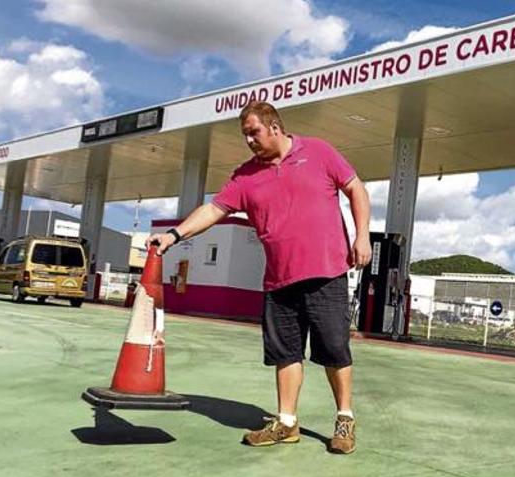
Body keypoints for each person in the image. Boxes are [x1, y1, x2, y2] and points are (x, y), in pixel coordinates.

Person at [147, 101, 372, 454]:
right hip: (279, 280)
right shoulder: (245, 175)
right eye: (245, 135)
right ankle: (286, 423)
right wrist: (174, 236)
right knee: (286, 353)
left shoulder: (318, 152)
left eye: (254, 132)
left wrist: (362, 236)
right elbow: (213, 209)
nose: (249, 140)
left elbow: (356, 188)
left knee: (334, 350)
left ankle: (344, 418)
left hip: (327, 273)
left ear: (275, 127)